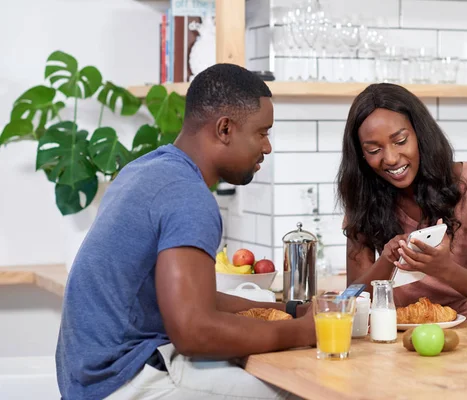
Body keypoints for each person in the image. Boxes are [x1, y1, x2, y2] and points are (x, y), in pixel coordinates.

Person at [55, 63, 314, 400]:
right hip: (124, 380)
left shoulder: (144, 171)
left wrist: (289, 312)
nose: (266, 147)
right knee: (299, 390)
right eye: (262, 132)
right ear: (224, 129)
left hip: (87, 379)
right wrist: (303, 332)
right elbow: (195, 332)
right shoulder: (188, 196)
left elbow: (191, 301)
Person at [337, 83, 467, 338]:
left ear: (420, 135)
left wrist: (442, 268)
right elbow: (353, 297)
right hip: (414, 326)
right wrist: (386, 261)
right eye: (374, 150)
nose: (391, 158)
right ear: (360, 155)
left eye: (401, 141)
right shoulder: (363, 195)